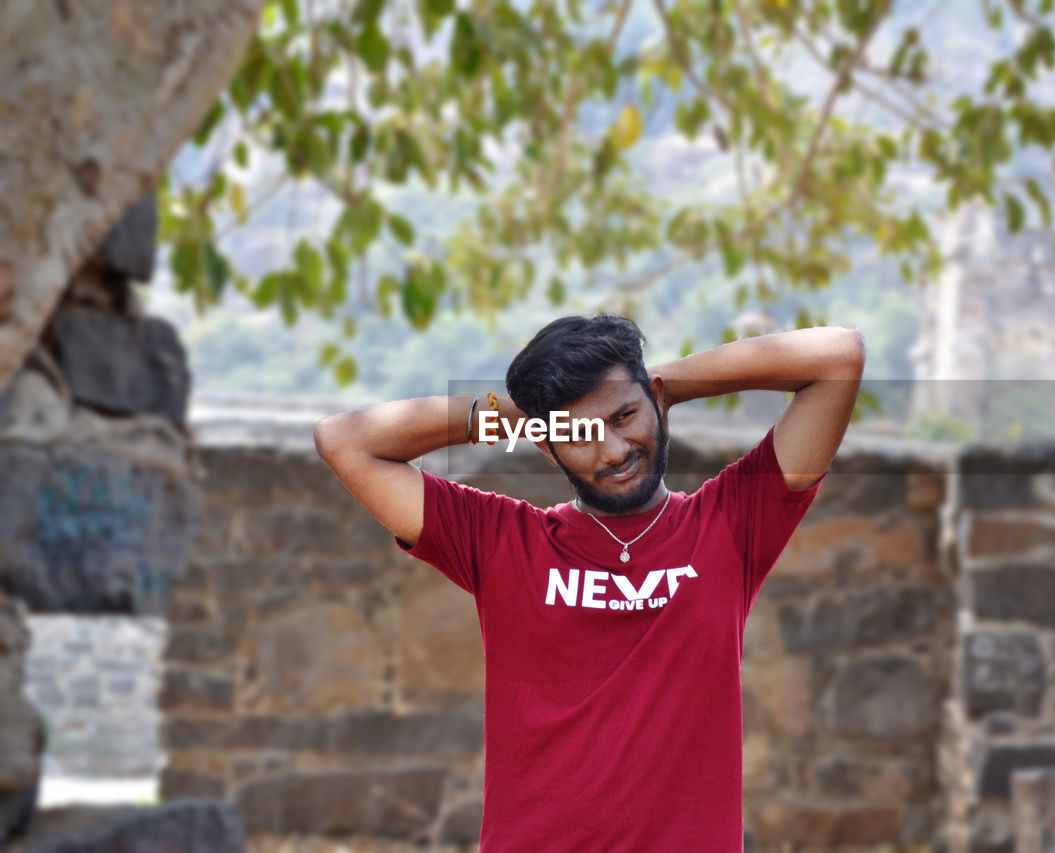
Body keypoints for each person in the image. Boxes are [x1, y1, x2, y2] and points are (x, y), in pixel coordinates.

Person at [313, 314, 865, 851]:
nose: (614, 451)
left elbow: (837, 356)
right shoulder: (503, 541)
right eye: (580, 434)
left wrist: (664, 386)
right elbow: (345, 441)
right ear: (547, 444)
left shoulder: (731, 524)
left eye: (625, 416)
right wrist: (519, 416)